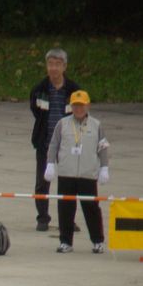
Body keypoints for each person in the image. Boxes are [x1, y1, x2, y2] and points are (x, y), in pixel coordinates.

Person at [44, 90, 110, 254]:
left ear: (88, 106)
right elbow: (54, 145)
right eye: (75, 105)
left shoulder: (96, 125)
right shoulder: (63, 123)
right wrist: (50, 164)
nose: (79, 108)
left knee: (91, 209)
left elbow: (102, 147)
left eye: (82, 105)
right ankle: (65, 241)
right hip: (67, 173)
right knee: (65, 208)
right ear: (71, 106)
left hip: (87, 174)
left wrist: (104, 167)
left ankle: (98, 241)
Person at [30, 48, 81, 231]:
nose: (53, 68)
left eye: (58, 64)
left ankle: (67, 220)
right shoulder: (39, 89)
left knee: (69, 183)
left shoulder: (74, 91)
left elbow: (81, 114)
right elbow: (36, 112)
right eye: (50, 64)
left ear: (65, 66)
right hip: (45, 142)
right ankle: (42, 218)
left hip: (69, 144)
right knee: (42, 182)